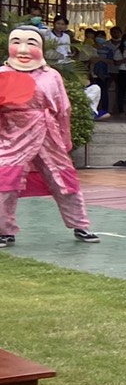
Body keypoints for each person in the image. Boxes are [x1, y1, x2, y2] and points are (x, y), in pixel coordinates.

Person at [0, 25, 100, 245]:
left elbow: (63, 108)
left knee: (64, 180)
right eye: (16, 42)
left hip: (48, 133)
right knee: (5, 182)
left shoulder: (51, 75)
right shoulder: (3, 75)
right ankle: (4, 230)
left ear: (42, 48)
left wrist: (65, 138)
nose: (23, 49)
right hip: (12, 137)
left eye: (31, 43)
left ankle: (80, 225)